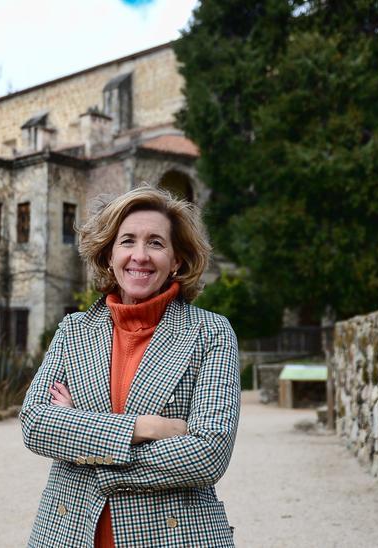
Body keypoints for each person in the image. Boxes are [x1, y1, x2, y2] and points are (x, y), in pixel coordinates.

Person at [20, 186, 240, 547]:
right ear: (109, 256)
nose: (140, 255)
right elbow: (35, 424)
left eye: (156, 243)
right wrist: (147, 427)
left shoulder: (211, 333)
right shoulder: (73, 330)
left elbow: (208, 454)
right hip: (68, 533)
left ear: (177, 260)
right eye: (127, 242)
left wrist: (83, 442)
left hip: (174, 536)